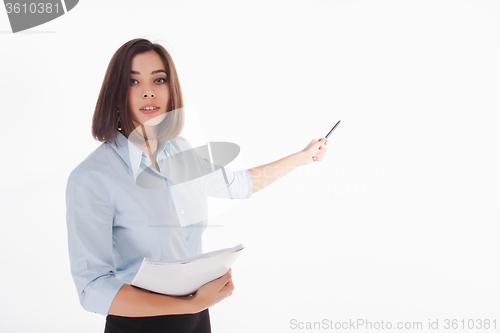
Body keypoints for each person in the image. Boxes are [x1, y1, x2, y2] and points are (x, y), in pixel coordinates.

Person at [66, 38, 328, 333]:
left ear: (171, 88)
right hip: (139, 326)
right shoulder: (92, 178)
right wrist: (187, 304)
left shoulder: (180, 151)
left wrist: (303, 157)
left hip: (196, 320)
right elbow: (92, 288)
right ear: (115, 93)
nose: (149, 91)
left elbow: (240, 184)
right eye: (133, 81)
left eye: (159, 79)